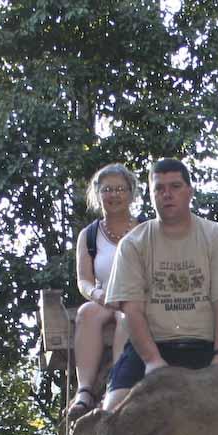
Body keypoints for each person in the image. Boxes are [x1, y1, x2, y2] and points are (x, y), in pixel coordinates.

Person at [102, 158, 218, 410]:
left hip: (209, 345)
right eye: (159, 188)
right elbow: (131, 309)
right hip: (150, 348)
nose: (167, 194)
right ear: (151, 194)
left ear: (189, 191)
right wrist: (153, 361)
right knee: (109, 417)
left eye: (175, 186)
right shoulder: (133, 244)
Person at [68, 163, 141, 420]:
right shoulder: (89, 235)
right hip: (104, 298)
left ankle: (116, 385)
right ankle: (85, 391)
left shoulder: (146, 230)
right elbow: (84, 280)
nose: (114, 195)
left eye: (120, 189)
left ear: (131, 193)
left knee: (127, 318)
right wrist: (97, 295)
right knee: (87, 313)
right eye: (107, 189)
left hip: (136, 299)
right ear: (98, 196)